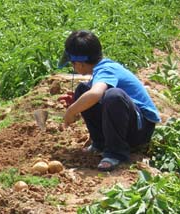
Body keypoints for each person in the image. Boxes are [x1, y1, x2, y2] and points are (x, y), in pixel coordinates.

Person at [57, 30, 161, 171]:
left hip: (141, 130)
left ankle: (116, 153)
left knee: (114, 96)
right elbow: (92, 94)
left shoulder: (107, 69)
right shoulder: (102, 68)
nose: (73, 67)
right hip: (129, 123)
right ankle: (100, 143)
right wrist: (78, 101)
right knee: (83, 89)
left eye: (72, 64)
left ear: (80, 63)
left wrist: (72, 110)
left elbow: (96, 94)